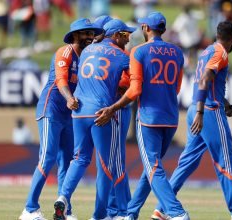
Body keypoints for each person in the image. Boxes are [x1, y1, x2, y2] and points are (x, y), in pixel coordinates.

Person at [151, 21, 232, 220]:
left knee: (187, 162)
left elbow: (209, 84)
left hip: (195, 109)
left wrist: (225, 103)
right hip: (208, 112)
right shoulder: (221, 53)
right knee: (226, 161)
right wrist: (201, 112)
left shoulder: (206, 51)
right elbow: (205, 80)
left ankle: (162, 208)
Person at [95, 12, 189, 220]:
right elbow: (177, 87)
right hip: (171, 117)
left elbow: (135, 89)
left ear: (146, 28)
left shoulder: (139, 51)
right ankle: (131, 213)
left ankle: (176, 212)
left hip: (148, 118)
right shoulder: (177, 52)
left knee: (153, 167)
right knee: (152, 167)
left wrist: (112, 108)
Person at [18, 18, 102, 220]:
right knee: (47, 158)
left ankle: (64, 210)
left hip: (69, 114)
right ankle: (29, 209)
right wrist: (69, 98)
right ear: (74, 36)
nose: (90, 37)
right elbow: (61, 80)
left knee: (67, 162)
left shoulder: (86, 58)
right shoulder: (64, 52)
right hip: (51, 110)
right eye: (85, 33)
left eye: (92, 34)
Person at [53, 19, 135, 220]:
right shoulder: (122, 55)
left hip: (79, 111)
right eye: (125, 35)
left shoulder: (87, 51)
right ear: (115, 35)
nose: (128, 38)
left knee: (79, 159)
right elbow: (135, 82)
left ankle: (63, 197)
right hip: (102, 113)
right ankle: (99, 215)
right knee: (106, 165)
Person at [93, 15, 133, 219]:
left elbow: (127, 83)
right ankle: (119, 208)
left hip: (116, 109)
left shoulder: (104, 52)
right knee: (112, 161)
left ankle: (117, 208)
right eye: (125, 34)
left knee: (113, 161)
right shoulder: (110, 53)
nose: (128, 38)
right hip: (113, 109)